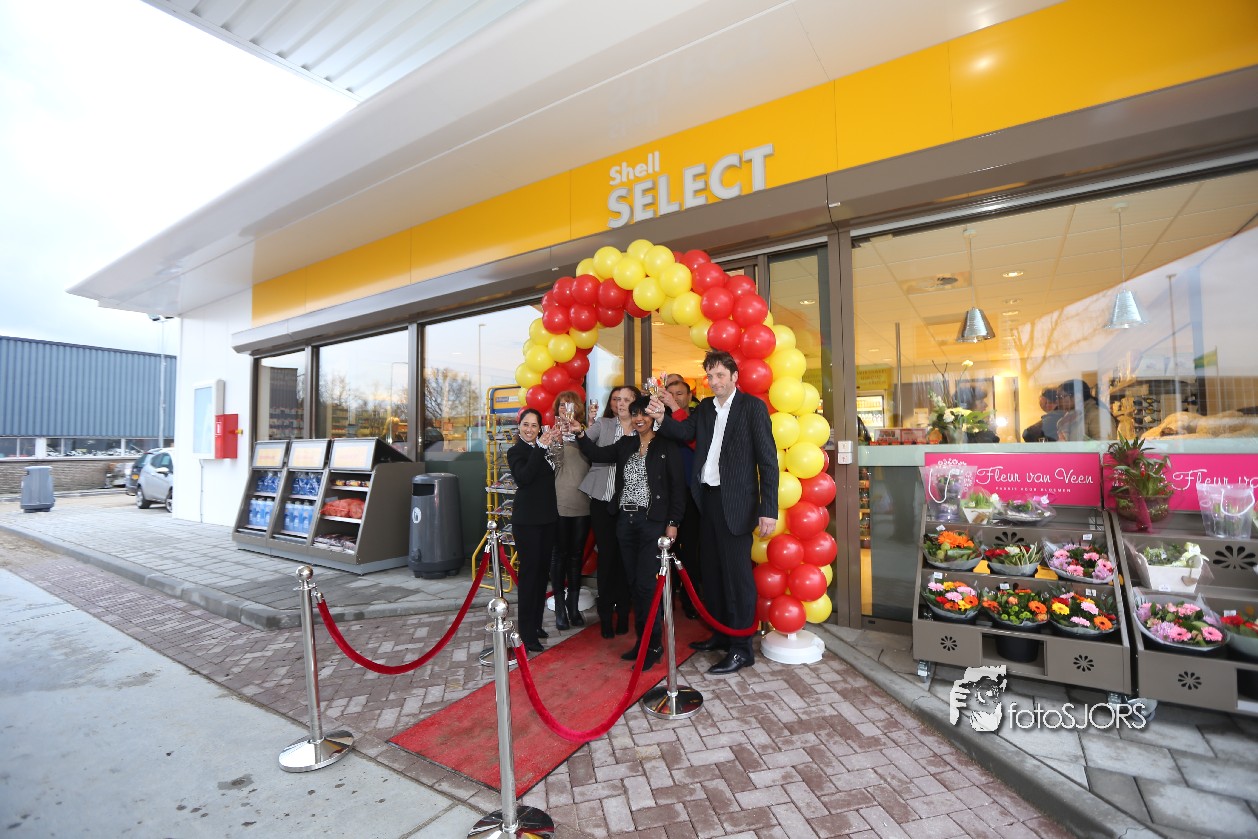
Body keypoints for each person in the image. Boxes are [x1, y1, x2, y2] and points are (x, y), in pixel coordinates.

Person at [648, 350, 778, 675]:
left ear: (734, 376)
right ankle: (721, 634)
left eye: (721, 375)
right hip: (706, 501)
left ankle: (742, 649)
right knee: (713, 574)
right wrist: (661, 417)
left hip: (737, 505)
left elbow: (768, 461)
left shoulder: (752, 407)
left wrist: (768, 509)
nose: (715, 381)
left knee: (737, 579)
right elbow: (684, 433)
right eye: (710, 376)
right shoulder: (705, 408)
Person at [575, 396, 685, 670]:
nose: (639, 419)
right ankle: (643, 641)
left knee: (647, 586)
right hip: (625, 521)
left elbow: (677, 487)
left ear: (653, 417)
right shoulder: (626, 444)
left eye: (644, 414)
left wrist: (673, 522)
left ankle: (653, 644)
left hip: (652, 523)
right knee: (635, 585)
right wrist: (580, 433)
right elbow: (598, 454)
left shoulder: (666, 446)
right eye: (635, 414)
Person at [576, 386, 638, 638]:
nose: (621, 403)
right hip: (602, 500)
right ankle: (605, 616)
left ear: (636, 403)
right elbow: (585, 444)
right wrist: (580, 429)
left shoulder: (643, 428)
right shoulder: (603, 424)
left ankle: (623, 612)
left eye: (627, 399)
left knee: (626, 559)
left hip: (629, 503)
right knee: (607, 557)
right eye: (617, 399)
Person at [506, 408, 561, 653]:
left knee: (541, 575)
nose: (529, 429)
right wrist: (540, 448)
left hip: (547, 519)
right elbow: (524, 477)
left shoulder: (544, 449)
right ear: (519, 426)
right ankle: (526, 633)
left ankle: (536, 625)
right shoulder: (515, 451)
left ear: (540, 428)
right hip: (527, 522)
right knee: (529, 577)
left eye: (534, 425)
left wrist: (553, 446)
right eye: (525, 424)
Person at [548, 390, 590, 631]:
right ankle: (560, 609)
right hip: (559, 501)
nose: (566, 409)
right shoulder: (551, 433)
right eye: (562, 406)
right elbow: (554, 462)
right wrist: (557, 438)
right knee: (559, 555)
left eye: (570, 405)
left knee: (576, 555)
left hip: (583, 501)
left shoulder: (585, 432)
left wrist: (581, 432)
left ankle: (573, 607)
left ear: (578, 409)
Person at [659, 376, 702, 619]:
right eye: (671, 394)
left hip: (693, 493)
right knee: (666, 548)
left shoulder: (698, 419)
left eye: (679, 393)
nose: (675, 398)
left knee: (692, 551)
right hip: (667, 494)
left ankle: (691, 600)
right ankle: (666, 599)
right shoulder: (661, 421)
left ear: (689, 396)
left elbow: (691, 438)